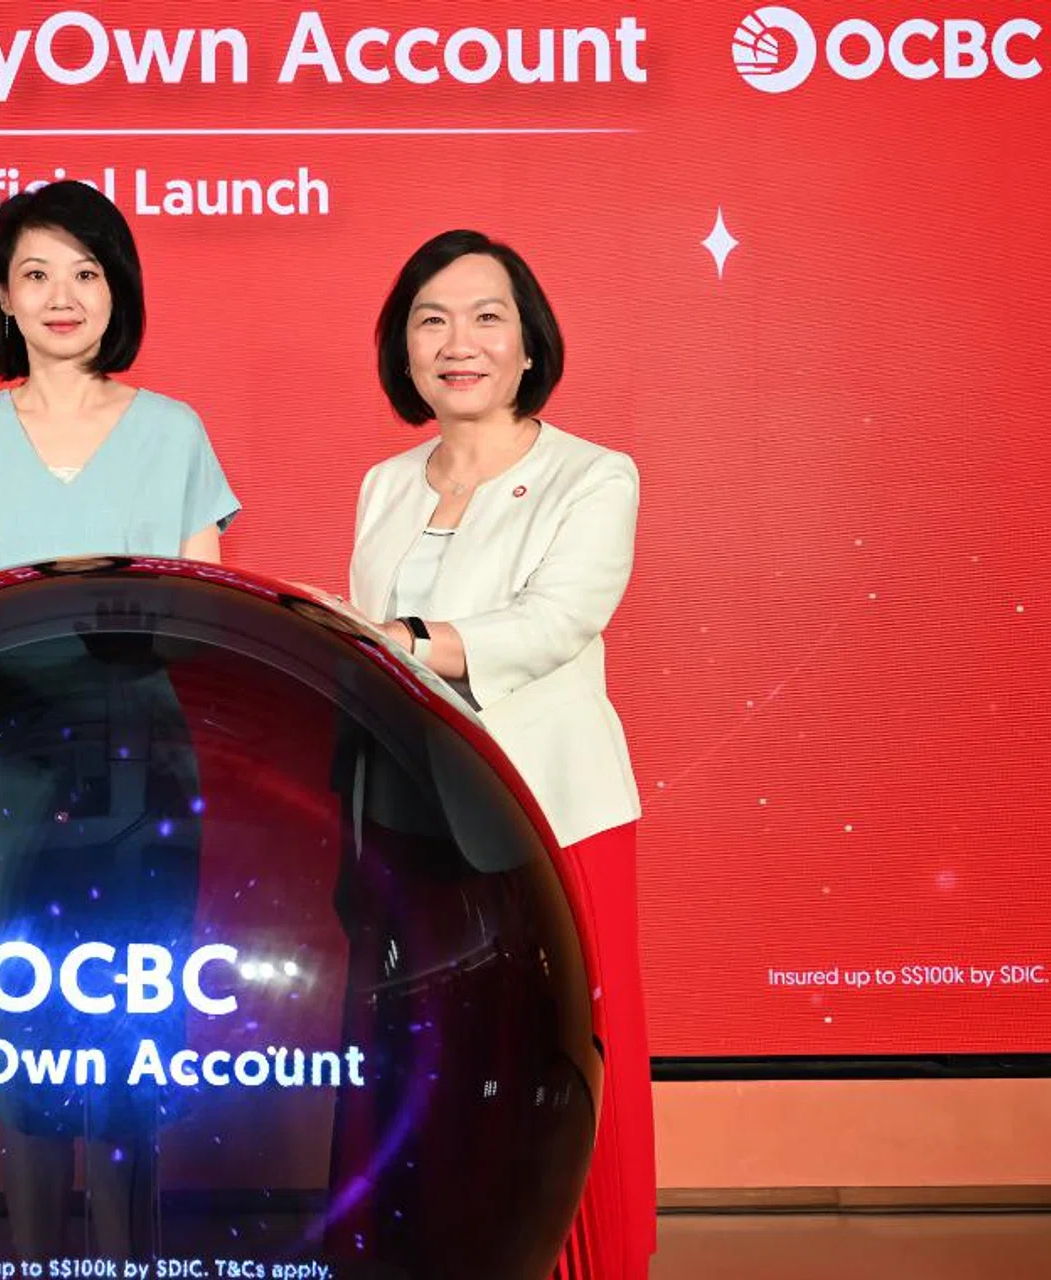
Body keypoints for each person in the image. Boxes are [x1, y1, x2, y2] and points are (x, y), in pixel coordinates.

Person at [0, 180, 238, 1260]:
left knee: (135, 1061)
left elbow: (207, 628)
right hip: (2, 779)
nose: (62, 296)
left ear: (117, 291)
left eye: (86, 272)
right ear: (2, 294)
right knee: (30, 1066)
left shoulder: (176, 431)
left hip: (146, 769)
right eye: (36, 273)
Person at [344, 230, 654, 1279]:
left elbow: (560, 619)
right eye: (431, 319)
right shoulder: (385, 482)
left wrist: (425, 644)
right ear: (403, 347)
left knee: (569, 1053)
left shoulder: (593, 474)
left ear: (529, 348)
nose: (457, 342)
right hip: (413, 823)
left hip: (553, 816)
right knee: (430, 1059)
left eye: (486, 318)